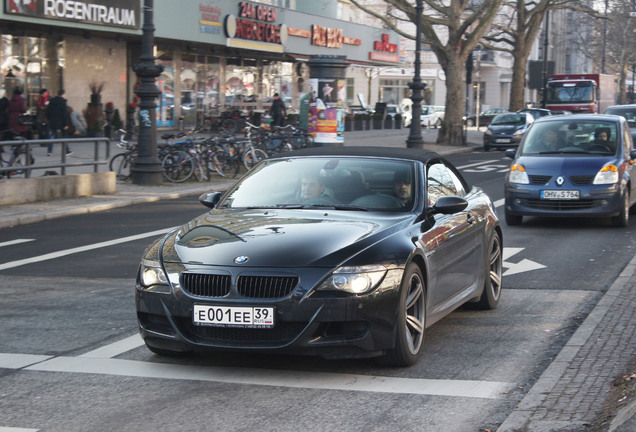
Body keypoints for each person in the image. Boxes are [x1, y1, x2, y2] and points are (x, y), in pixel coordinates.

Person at [46, 89, 71, 155]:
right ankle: (67, 151)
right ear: (63, 94)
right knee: (64, 135)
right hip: (61, 121)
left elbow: (48, 111)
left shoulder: (52, 101)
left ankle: (49, 151)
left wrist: (49, 119)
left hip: (53, 121)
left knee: (52, 135)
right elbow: (64, 113)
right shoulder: (63, 101)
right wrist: (66, 123)